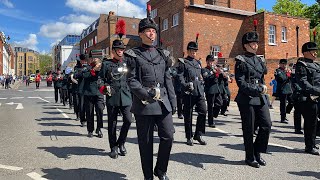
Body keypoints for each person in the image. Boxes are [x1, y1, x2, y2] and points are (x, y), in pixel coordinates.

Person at [125, 8, 177, 179]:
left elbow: (167, 78)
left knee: (168, 136)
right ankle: (148, 176)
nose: (151, 34)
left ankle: (160, 170)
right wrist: (145, 94)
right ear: (140, 34)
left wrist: (173, 101)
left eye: (154, 31)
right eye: (148, 31)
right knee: (146, 143)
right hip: (144, 104)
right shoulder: (133, 55)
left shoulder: (163, 54)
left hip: (163, 102)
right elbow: (131, 80)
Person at [234, 31, 272, 168]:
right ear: (246, 45)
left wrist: (262, 90)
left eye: (256, 43)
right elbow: (241, 83)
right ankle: (250, 157)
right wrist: (257, 89)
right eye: (252, 43)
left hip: (260, 97)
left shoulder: (260, 60)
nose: (256, 45)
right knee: (249, 129)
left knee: (266, 124)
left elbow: (262, 77)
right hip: (247, 98)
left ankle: (257, 151)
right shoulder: (241, 61)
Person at [101, 39, 133, 159]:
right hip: (112, 96)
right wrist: (104, 88)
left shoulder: (127, 63)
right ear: (113, 51)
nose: (120, 51)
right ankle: (113, 147)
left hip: (126, 95)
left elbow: (131, 78)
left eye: (122, 49)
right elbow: (100, 80)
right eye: (118, 49)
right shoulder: (106, 64)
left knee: (128, 120)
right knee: (112, 123)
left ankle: (121, 142)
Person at [177, 39, 207, 146]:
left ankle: (198, 134)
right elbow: (180, 76)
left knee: (203, 111)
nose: (194, 53)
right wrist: (185, 85)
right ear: (188, 51)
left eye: (195, 51)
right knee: (188, 115)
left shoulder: (198, 63)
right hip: (189, 91)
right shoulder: (183, 62)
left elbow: (201, 75)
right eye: (192, 51)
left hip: (199, 90)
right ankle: (189, 136)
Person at [295, 42, 320, 155]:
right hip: (307, 97)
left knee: (315, 122)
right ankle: (309, 146)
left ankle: (313, 142)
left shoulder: (317, 65)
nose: (315, 53)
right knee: (310, 122)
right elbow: (303, 83)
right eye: (313, 51)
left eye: (316, 50)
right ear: (306, 53)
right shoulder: (301, 65)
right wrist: (317, 91)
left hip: (317, 97)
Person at [82, 58, 105, 138]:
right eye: (97, 65)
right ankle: (90, 130)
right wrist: (93, 70)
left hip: (99, 93)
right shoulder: (87, 69)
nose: (99, 66)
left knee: (100, 110)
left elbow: (105, 77)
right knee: (89, 112)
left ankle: (99, 128)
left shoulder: (102, 69)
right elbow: (84, 75)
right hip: (89, 93)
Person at [202, 55, 222, 128]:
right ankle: (211, 122)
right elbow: (206, 77)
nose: (211, 63)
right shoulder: (204, 70)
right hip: (209, 89)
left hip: (216, 89)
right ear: (207, 62)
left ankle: (214, 114)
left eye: (212, 61)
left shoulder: (215, 69)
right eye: (210, 61)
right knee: (210, 106)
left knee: (219, 103)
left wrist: (219, 72)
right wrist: (213, 73)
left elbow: (219, 77)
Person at [274, 59, 293, 123]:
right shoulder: (278, 71)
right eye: (282, 64)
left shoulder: (287, 70)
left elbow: (292, 78)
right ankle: (283, 117)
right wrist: (287, 74)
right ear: (280, 64)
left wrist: (290, 73)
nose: (284, 65)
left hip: (289, 88)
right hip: (282, 89)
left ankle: (286, 112)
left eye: (285, 64)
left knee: (291, 102)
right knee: (283, 104)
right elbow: (282, 78)